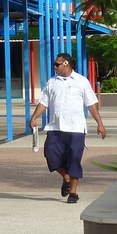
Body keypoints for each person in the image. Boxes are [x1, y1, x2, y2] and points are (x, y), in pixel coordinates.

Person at [28, 53, 105, 204]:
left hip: (75, 128)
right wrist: (34, 118)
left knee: (73, 160)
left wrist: (100, 124)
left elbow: (91, 104)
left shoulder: (81, 82)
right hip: (55, 127)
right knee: (51, 155)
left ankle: (74, 193)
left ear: (66, 64)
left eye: (57, 64)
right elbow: (44, 102)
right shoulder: (52, 82)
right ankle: (66, 177)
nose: (55, 67)